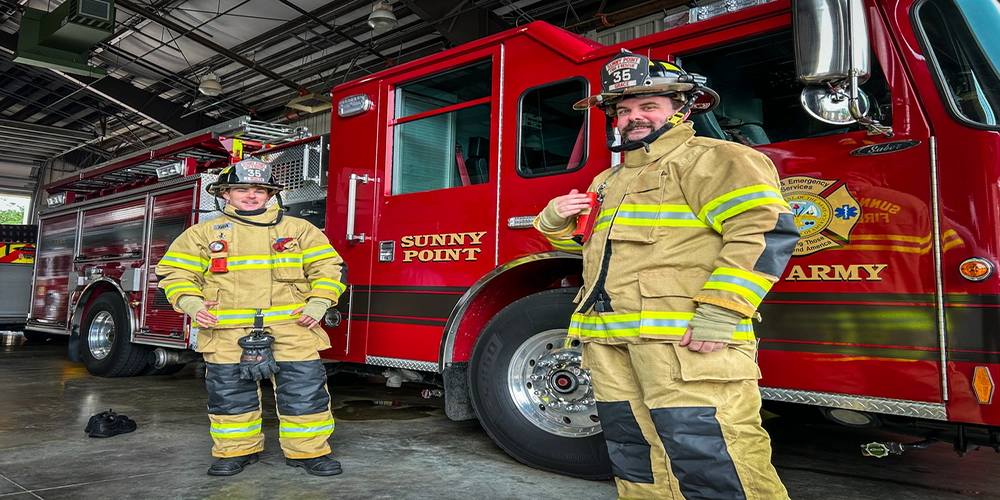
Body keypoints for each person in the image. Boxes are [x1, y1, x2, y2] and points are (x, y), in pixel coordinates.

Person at [534, 51, 799, 499]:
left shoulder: (718, 160)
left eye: (648, 106)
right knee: (633, 454)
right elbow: (593, 253)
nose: (632, 118)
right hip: (609, 346)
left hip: (685, 345)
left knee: (713, 457)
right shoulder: (608, 180)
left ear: (682, 107)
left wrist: (721, 313)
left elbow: (764, 233)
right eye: (623, 110)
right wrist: (553, 221)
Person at [156, 158, 347, 477]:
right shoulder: (202, 234)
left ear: (271, 194)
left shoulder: (298, 229)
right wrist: (191, 303)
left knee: (304, 394)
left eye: (259, 189)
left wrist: (318, 304)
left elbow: (331, 268)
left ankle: (309, 452)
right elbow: (175, 273)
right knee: (230, 396)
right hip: (226, 330)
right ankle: (236, 452)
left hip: (293, 327)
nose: (250, 195)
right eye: (241, 188)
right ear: (225, 194)